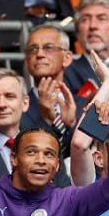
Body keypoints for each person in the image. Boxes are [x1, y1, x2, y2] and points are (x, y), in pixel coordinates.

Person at [0, 67, 69, 186]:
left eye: (9, 96)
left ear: (25, 103)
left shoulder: (47, 141)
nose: (2, 104)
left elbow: (63, 191)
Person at [22, 24, 77, 156]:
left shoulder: (82, 105)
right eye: (32, 49)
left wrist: (71, 126)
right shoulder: (17, 108)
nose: (39, 54)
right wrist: (46, 121)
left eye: (48, 48)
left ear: (67, 58)